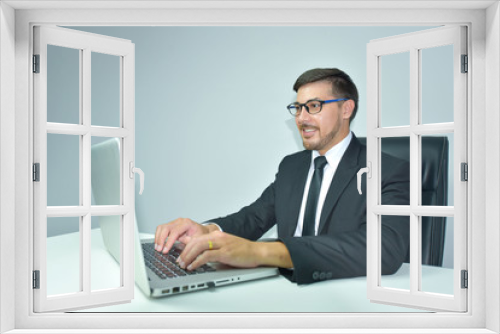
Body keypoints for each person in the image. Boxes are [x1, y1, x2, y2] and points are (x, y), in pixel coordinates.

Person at [155, 68, 410, 284]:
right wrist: (208, 230)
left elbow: (384, 249)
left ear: (346, 109)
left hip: (345, 295)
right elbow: (254, 217)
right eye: (298, 108)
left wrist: (262, 252)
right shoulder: (291, 166)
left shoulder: (386, 171)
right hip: (283, 288)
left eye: (313, 106)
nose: (302, 118)